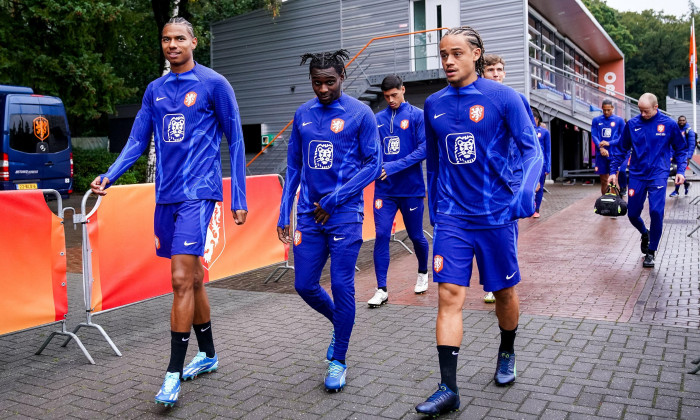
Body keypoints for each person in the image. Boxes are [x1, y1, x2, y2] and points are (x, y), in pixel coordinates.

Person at [90, 17, 248, 407]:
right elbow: (137, 140)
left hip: (200, 193)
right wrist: (109, 175)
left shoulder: (214, 84)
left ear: (194, 42)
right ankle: (208, 354)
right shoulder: (155, 90)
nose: (172, 44)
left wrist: (239, 197)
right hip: (167, 197)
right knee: (192, 280)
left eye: (179, 38)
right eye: (166, 39)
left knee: (179, 279)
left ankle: (172, 374)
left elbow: (237, 139)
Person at [415, 26, 543, 417]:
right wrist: (435, 210)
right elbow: (434, 166)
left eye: (456, 53)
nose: (448, 61)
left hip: (496, 217)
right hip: (454, 217)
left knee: (503, 294)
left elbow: (531, 151)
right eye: (443, 54)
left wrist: (524, 193)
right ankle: (448, 388)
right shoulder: (433, 104)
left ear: (476, 55)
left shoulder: (505, 98)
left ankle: (507, 351)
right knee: (448, 296)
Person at [276, 50, 381, 392]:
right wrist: (284, 212)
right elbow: (294, 167)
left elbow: (372, 163)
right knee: (304, 285)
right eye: (316, 82)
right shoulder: (303, 114)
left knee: (341, 285)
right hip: (308, 213)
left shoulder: (361, 113)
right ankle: (341, 322)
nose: (322, 89)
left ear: (342, 77)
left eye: (329, 82)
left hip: (344, 214)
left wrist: (336, 198)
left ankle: (338, 359)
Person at [368, 74, 430, 308]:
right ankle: (381, 289)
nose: (391, 100)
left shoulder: (417, 116)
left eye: (394, 95)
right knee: (382, 235)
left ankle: (423, 272)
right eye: (386, 97)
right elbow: (372, 150)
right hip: (384, 190)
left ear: (403, 90)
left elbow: (424, 149)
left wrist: (393, 166)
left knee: (415, 235)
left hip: (411, 189)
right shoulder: (377, 119)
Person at [480, 53, 536, 303]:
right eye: (490, 69)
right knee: (485, 232)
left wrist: (529, 181)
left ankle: (502, 280)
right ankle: (494, 277)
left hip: (511, 178)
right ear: (482, 72)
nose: (496, 74)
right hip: (483, 181)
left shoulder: (516, 99)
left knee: (507, 230)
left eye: (499, 69)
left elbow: (530, 144)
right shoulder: (476, 100)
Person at [608, 93, 687, 268]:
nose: (643, 115)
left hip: (659, 173)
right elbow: (621, 149)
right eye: (641, 111)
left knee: (656, 212)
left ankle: (651, 252)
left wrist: (681, 170)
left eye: (646, 111)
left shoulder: (669, 124)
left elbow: (681, 150)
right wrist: (613, 172)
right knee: (633, 213)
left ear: (656, 107)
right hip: (636, 174)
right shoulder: (633, 124)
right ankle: (645, 233)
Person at [591, 99, 627, 195]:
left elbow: (622, 137)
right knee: (604, 180)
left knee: (613, 180)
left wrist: (609, 143)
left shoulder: (619, 120)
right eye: (604, 110)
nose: (606, 112)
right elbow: (594, 136)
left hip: (615, 154)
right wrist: (601, 148)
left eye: (609, 110)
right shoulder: (596, 120)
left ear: (613, 108)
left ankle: (615, 203)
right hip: (601, 154)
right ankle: (605, 202)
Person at [532, 108, 551, 218]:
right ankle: (529, 206)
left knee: (539, 187)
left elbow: (548, 150)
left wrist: (548, 166)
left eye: (533, 118)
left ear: (537, 119)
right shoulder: (527, 131)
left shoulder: (544, 132)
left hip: (541, 164)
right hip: (529, 163)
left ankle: (537, 209)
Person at [670, 115, 694, 197]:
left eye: (683, 120)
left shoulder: (689, 131)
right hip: (675, 154)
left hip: (684, 155)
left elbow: (691, 145)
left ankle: (676, 191)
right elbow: (671, 143)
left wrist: (688, 157)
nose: (681, 122)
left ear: (686, 121)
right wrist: (671, 154)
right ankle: (686, 184)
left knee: (679, 172)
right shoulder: (675, 130)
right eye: (680, 120)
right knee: (675, 172)